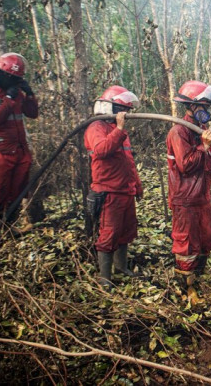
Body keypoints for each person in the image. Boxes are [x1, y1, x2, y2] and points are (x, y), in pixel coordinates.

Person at [166, 80, 211, 300]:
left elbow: (210, 164)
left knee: (207, 238)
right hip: (184, 199)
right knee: (187, 243)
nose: (208, 112)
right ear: (193, 107)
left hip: (201, 197)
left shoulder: (202, 130)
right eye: (205, 108)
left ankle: (198, 275)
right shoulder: (178, 132)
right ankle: (186, 287)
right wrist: (203, 146)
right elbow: (185, 165)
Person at [0, 53, 39, 250]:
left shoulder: (16, 93)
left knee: (17, 191)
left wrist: (29, 95)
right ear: (1, 74)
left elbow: (32, 113)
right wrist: (10, 98)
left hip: (19, 151)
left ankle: (10, 228)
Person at [84, 85, 143, 290]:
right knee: (109, 233)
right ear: (112, 108)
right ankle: (105, 278)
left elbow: (128, 161)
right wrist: (118, 130)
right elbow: (102, 150)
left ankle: (121, 267)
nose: (125, 116)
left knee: (126, 231)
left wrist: (137, 185)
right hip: (109, 190)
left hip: (125, 190)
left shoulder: (120, 132)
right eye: (122, 110)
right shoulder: (96, 127)